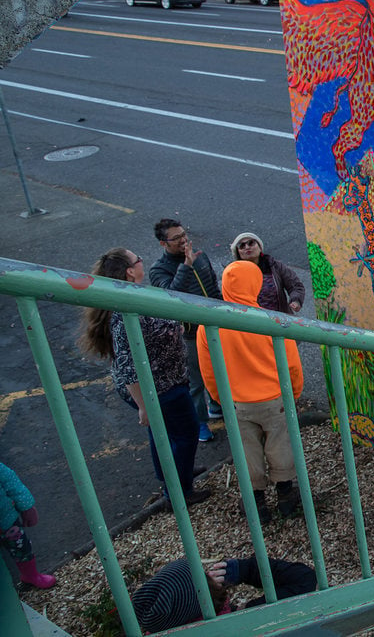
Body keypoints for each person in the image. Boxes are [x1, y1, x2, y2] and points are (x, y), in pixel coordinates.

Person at [78, 248, 209, 506]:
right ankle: (179, 492)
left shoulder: (128, 298)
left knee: (162, 433)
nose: (142, 262)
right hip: (160, 389)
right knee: (186, 432)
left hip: (162, 384)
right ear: (129, 271)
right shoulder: (126, 311)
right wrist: (143, 405)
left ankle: (172, 475)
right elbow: (128, 366)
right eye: (138, 260)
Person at [197, 261, 304, 523]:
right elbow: (292, 365)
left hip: (237, 403)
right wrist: (294, 394)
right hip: (275, 399)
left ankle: (256, 502)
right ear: (255, 285)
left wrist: (221, 399)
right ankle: (286, 495)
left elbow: (208, 371)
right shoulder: (271, 321)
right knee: (280, 445)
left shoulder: (209, 326)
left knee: (247, 451)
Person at [150, 219, 223, 441]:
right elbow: (173, 296)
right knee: (195, 381)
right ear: (163, 243)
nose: (183, 240)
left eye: (183, 234)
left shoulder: (200, 256)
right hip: (189, 334)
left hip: (212, 324)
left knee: (218, 369)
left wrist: (223, 310)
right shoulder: (159, 270)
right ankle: (200, 423)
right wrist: (186, 266)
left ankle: (215, 405)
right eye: (176, 238)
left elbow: (212, 286)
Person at [131, 556, 316, 632]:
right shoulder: (245, 622)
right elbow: (306, 580)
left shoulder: (161, 624)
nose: (210, 574)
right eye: (204, 576)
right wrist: (244, 569)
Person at [0, 461, 55, 589]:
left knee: (22, 549)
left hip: (7, 521)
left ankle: (30, 575)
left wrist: (27, 507)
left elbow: (11, 483)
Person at [229, 232, 305, 314]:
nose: (247, 247)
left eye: (251, 243)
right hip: (252, 322)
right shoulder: (234, 274)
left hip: (280, 320)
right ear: (238, 253)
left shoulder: (274, 266)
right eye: (242, 246)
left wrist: (296, 300)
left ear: (260, 247)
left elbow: (295, 285)